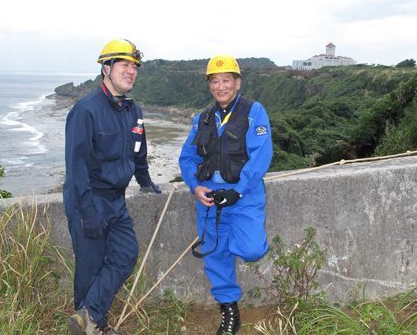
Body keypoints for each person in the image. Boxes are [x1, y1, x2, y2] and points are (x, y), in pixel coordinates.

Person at [63, 38, 161, 335]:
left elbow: (137, 150)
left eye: (134, 66)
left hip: (116, 200)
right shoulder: (85, 110)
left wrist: (144, 181)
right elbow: (76, 166)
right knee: (90, 266)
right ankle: (96, 326)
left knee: (126, 254)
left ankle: (87, 317)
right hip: (89, 198)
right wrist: (87, 210)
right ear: (106, 68)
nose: (131, 71)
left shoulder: (133, 110)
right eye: (124, 65)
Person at [178, 54, 273, 334]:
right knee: (215, 255)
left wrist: (239, 191)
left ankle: (226, 243)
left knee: (252, 249)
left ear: (237, 82)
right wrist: (195, 186)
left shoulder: (254, 111)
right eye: (215, 81)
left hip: (244, 194)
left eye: (226, 80)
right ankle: (229, 309)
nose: (221, 86)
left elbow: (261, 155)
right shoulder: (202, 119)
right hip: (209, 195)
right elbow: (187, 158)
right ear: (210, 85)